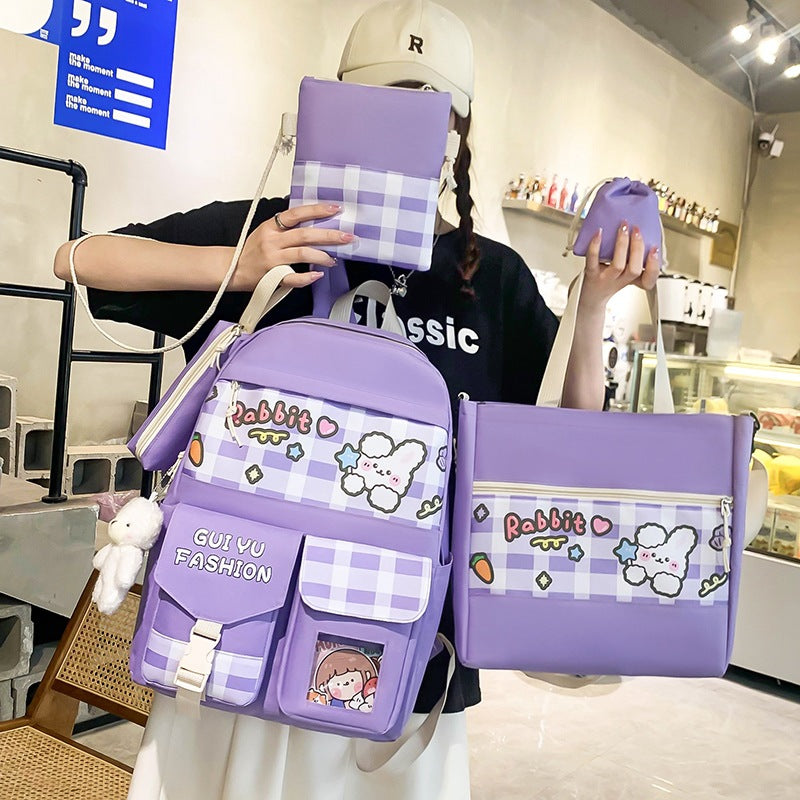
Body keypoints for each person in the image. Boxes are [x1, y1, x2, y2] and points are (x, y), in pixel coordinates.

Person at [54, 2, 660, 797]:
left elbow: (567, 441)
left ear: (458, 129)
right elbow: (79, 258)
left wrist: (594, 307)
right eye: (380, 101)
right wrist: (242, 265)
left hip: (408, 647)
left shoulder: (492, 278)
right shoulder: (273, 232)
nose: (402, 129)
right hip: (235, 626)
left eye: (427, 109)